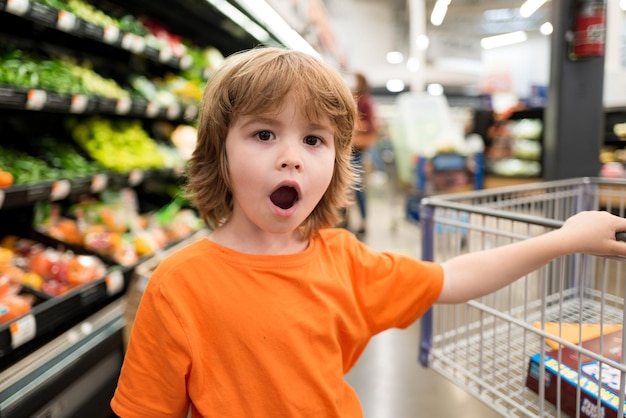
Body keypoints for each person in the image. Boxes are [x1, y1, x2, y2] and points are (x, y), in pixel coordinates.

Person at [110, 46, 626, 418]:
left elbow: (453, 278)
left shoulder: (344, 260)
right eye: (263, 133)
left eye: (314, 139)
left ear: (336, 164)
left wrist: (563, 239)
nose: (290, 155)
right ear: (218, 153)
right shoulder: (178, 285)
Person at [348, 72, 378, 235]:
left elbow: (370, 126)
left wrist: (354, 123)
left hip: (356, 150)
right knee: (351, 186)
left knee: (356, 186)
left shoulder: (364, 101)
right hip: (352, 149)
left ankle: (362, 221)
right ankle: (352, 220)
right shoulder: (356, 98)